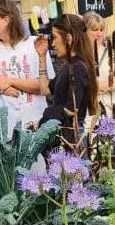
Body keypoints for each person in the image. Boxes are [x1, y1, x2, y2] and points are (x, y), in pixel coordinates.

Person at [0, 0, 51, 137]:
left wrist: (9, 81)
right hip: (5, 132)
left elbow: (44, 86)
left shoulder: (35, 45)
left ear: (7, 20)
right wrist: (1, 88)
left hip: (36, 126)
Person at [34, 14, 97, 148]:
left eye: (55, 37)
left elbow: (71, 110)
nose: (52, 44)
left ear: (68, 38)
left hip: (73, 138)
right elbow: (45, 89)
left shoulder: (78, 68)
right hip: (65, 135)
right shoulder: (69, 67)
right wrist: (41, 56)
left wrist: (43, 120)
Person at [83, 12, 115, 122]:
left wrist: (103, 86)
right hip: (94, 109)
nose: (99, 33)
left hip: (113, 106)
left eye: (101, 30)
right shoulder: (82, 56)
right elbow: (88, 84)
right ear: (86, 31)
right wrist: (109, 84)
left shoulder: (110, 52)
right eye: (95, 30)